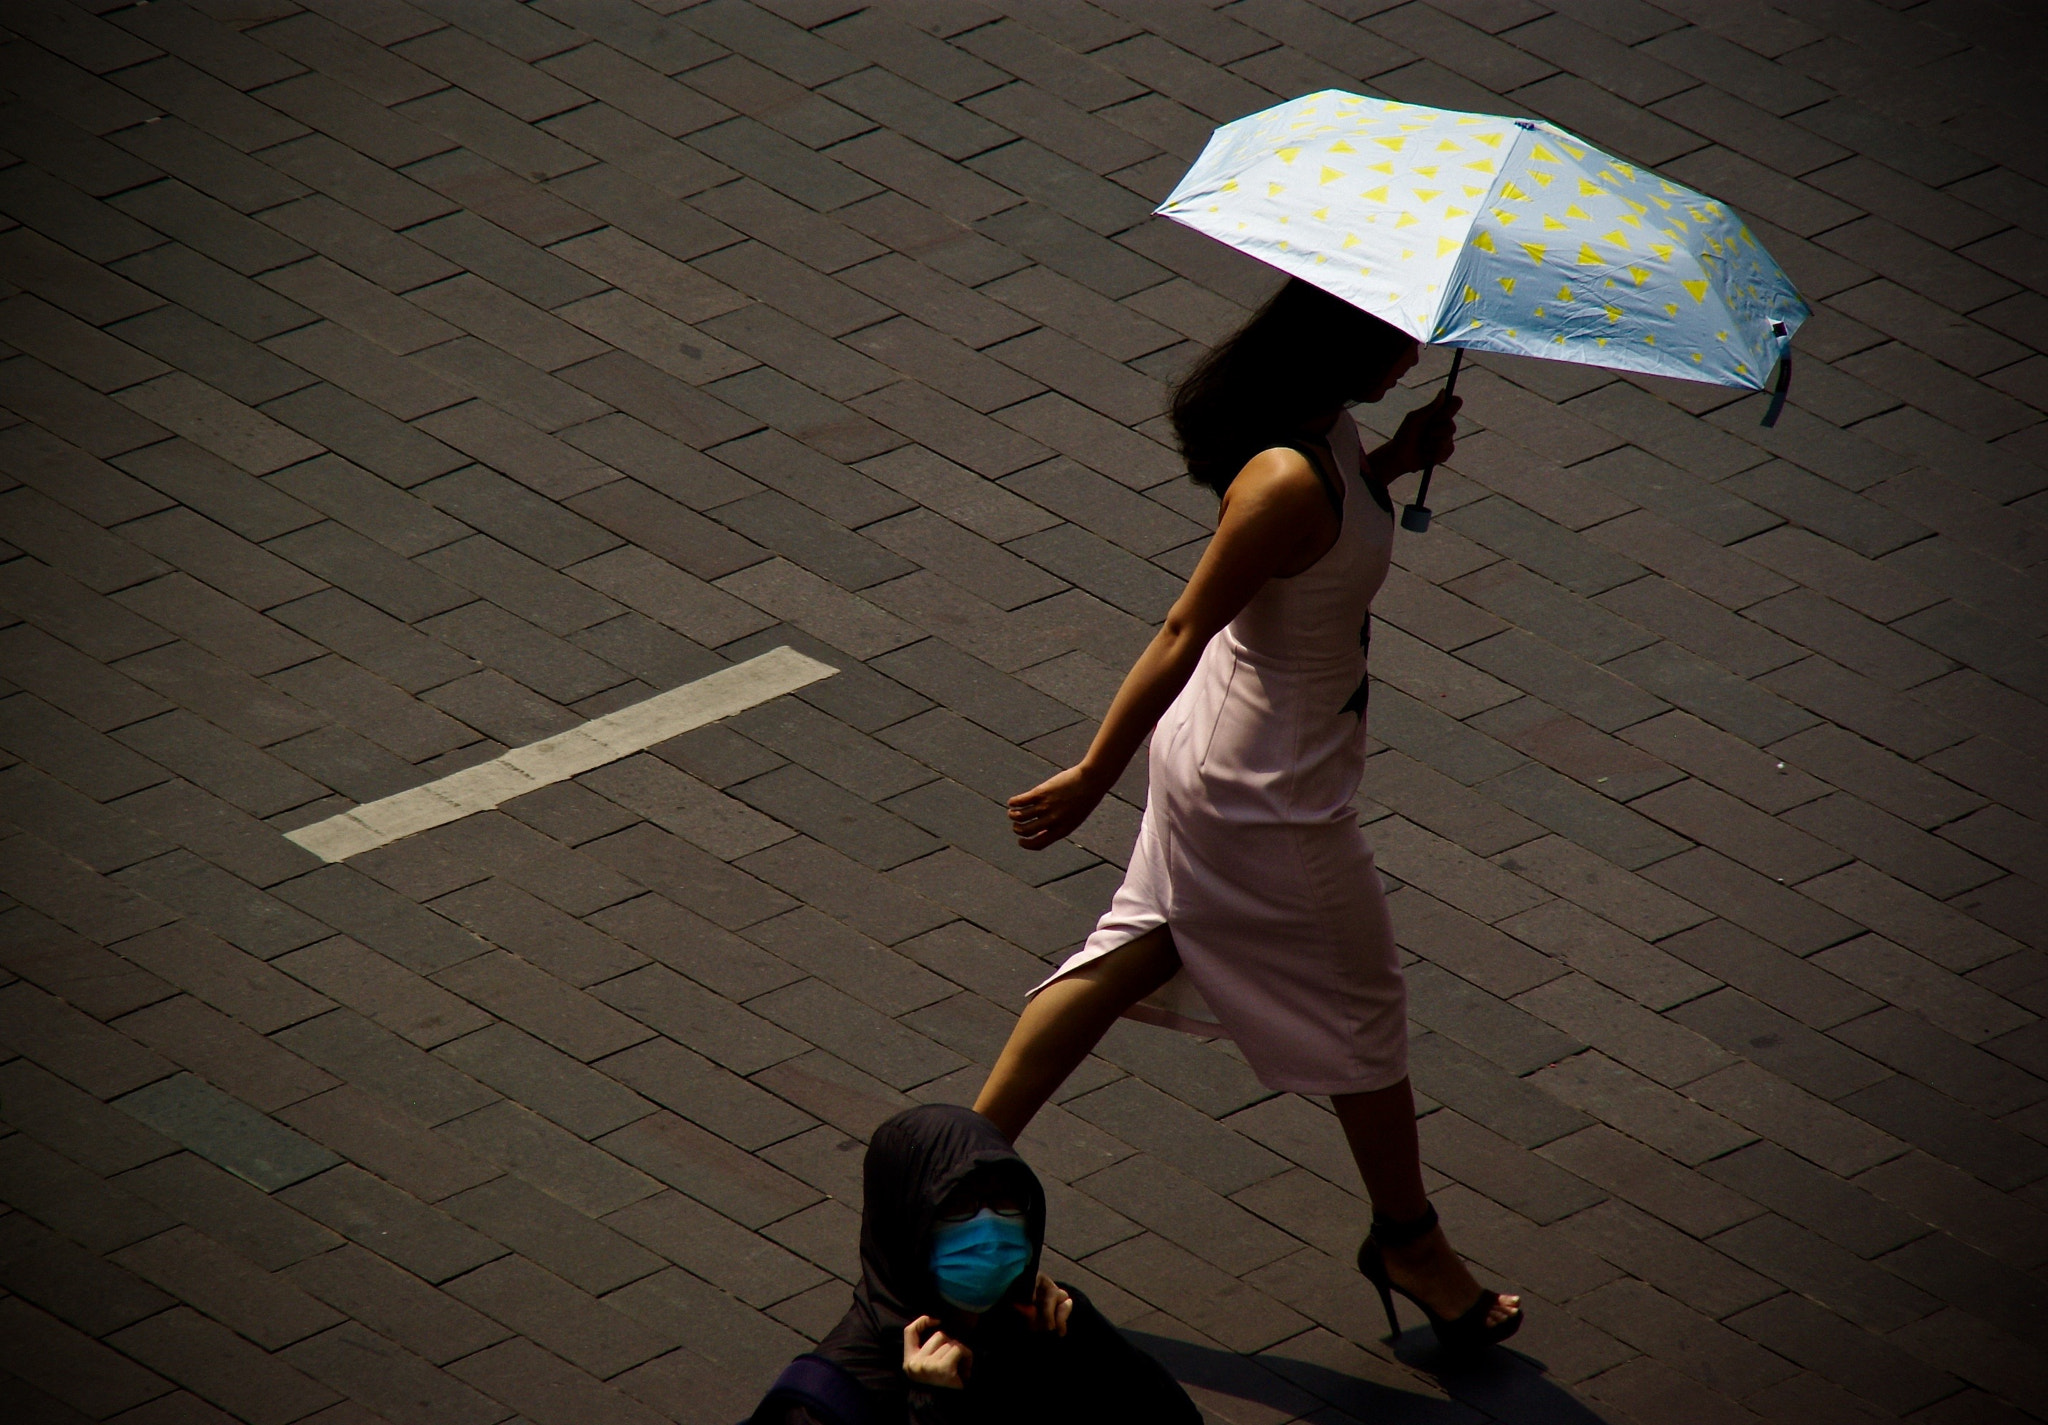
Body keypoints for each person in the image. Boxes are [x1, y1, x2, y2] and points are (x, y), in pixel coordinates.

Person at [973, 278, 1522, 1354]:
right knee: (1362, 1011)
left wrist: (1391, 462)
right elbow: (1180, 629)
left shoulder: (1323, 441)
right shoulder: (1279, 477)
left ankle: (946, 1172)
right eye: (1392, 342)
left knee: (1133, 948)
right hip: (1263, 791)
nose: (1410, 357)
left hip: (1248, 747)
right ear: (1334, 344)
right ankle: (1407, 1239)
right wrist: (1090, 773)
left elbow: (1313, 545)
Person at [748, 1104, 1198, 1424]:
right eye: (958, 1207)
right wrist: (934, 1403)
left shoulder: (1042, 1330)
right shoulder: (824, 1403)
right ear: (907, 1227)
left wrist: (1084, 1342)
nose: (988, 1229)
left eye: (1005, 1201)